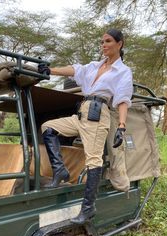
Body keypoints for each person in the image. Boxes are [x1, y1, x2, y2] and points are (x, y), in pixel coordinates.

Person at [38, 29, 133, 224]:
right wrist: (50, 70)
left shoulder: (123, 71)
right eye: (102, 42)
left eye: (108, 41)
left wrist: (121, 126)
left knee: (93, 160)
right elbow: (75, 69)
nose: (104, 45)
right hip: (82, 112)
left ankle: (88, 208)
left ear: (119, 44)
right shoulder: (94, 66)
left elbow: (123, 100)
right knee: (48, 127)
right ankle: (60, 171)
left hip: (98, 114)